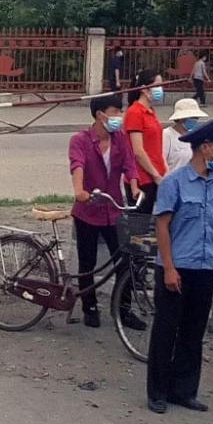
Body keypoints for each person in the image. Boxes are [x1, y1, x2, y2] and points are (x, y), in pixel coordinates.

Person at [148, 117, 213, 415]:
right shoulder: (175, 182)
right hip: (177, 267)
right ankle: (157, 392)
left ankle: (183, 390)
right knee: (165, 330)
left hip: (204, 267)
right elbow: (162, 226)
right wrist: (169, 268)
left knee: (193, 332)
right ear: (206, 148)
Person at [68, 92, 145, 331]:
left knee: (126, 261)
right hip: (88, 210)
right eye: (115, 113)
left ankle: (124, 310)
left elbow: (130, 165)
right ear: (101, 115)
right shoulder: (80, 140)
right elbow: (77, 165)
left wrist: (134, 187)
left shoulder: (120, 138)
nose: (119, 117)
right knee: (87, 263)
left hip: (114, 210)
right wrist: (79, 190)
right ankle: (89, 306)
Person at [124, 74, 169, 210]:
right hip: (143, 177)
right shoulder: (134, 112)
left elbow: (156, 146)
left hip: (157, 174)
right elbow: (138, 151)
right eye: (157, 85)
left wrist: (164, 170)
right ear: (144, 89)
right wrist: (155, 175)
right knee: (141, 225)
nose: (160, 89)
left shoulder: (150, 111)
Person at [163, 96, 207, 172]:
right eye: (192, 117)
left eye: (196, 118)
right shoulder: (166, 135)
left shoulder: (196, 135)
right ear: (181, 118)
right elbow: (162, 162)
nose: (195, 120)